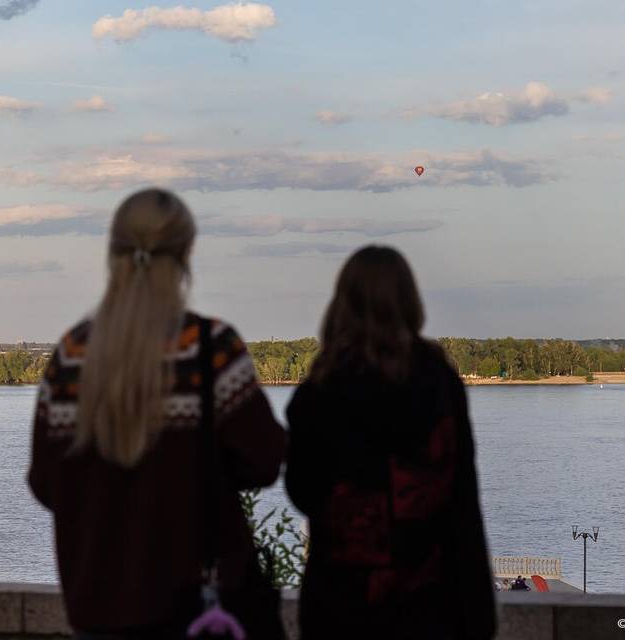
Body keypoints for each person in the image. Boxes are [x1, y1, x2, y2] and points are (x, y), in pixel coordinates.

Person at [27, 188, 286, 639]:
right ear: (185, 254)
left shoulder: (71, 358)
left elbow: (47, 482)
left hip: (97, 610)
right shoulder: (212, 352)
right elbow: (264, 462)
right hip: (200, 612)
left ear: (113, 254)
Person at [284, 245, 497, 640]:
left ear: (342, 303)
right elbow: (463, 499)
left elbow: (302, 491)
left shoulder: (321, 387)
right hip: (432, 610)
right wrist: (480, 614)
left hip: (340, 607)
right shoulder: (439, 380)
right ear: (409, 301)